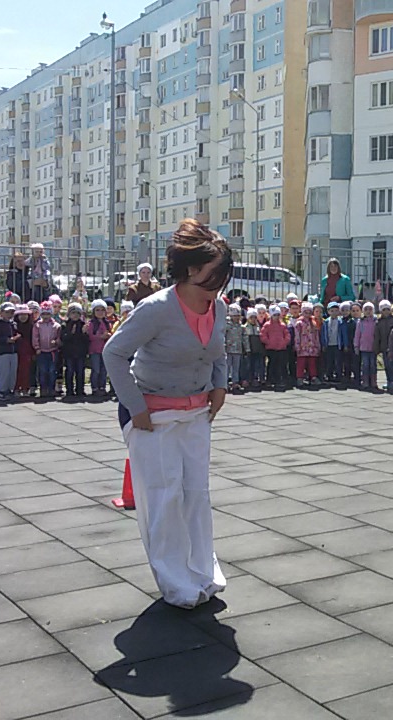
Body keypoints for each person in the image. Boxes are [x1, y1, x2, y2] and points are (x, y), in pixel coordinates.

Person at [102, 218, 231, 610]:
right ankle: (176, 584)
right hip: (153, 417)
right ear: (190, 270)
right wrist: (136, 407)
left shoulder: (218, 307)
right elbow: (113, 353)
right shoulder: (156, 309)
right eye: (213, 275)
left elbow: (218, 350)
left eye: (223, 276)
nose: (219, 285)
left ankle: (202, 574)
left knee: (196, 496)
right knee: (164, 497)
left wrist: (220, 386)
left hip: (196, 415)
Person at [32, 301, 61, 398]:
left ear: (51, 314)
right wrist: (37, 347)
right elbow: (35, 337)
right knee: (43, 371)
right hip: (41, 352)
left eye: (48, 314)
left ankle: (51, 389)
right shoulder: (37, 325)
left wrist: (56, 342)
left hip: (52, 351)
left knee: (52, 371)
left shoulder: (56, 325)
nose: (45, 316)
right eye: (43, 314)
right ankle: (43, 389)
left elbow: (59, 337)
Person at [60, 303, 89, 397]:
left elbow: (87, 340)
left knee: (80, 371)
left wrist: (84, 333)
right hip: (69, 353)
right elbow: (63, 338)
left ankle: (80, 389)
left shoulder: (83, 325)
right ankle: (69, 390)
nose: (75, 315)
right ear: (69, 314)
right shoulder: (65, 325)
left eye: (77, 313)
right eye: (73, 313)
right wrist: (71, 333)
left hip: (80, 353)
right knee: (70, 371)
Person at [87, 299, 114, 397]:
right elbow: (90, 336)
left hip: (104, 350)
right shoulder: (91, 324)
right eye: (97, 310)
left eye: (102, 310)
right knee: (96, 369)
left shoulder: (107, 323)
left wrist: (109, 335)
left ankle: (102, 387)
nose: (100, 312)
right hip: (94, 350)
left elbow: (111, 333)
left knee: (104, 370)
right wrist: (100, 337)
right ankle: (95, 387)